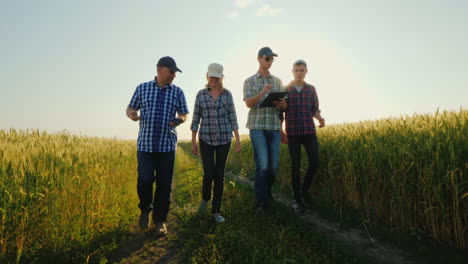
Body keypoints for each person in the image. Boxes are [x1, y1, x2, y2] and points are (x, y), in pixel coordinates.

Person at [126, 56, 189, 235]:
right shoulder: (142, 88)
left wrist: (179, 119)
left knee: (164, 185)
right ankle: (145, 209)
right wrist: (131, 114)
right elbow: (130, 108)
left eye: (175, 73)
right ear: (159, 69)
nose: (173, 76)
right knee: (145, 180)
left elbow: (184, 113)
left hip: (167, 146)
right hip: (145, 145)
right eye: (171, 72)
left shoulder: (177, 92)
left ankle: (160, 221)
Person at [191, 63, 241, 223]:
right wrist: (193, 141)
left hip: (224, 139)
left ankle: (216, 211)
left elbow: (233, 116)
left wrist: (238, 138)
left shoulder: (227, 95)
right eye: (211, 76)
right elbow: (195, 118)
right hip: (205, 138)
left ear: (221, 77)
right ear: (207, 76)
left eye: (217, 76)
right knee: (209, 173)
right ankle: (205, 198)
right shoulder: (201, 94)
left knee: (220, 175)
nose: (214, 79)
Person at [243, 47, 286, 212]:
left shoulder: (278, 81)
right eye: (267, 58)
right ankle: (261, 202)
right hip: (257, 127)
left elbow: (284, 105)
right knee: (262, 166)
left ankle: (266, 193)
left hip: (274, 127)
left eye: (272, 59)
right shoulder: (249, 81)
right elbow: (248, 103)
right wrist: (262, 93)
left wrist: (283, 104)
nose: (270, 61)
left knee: (273, 167)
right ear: (259, 59)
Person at [280, 59, 325, 214]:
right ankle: (297, 198)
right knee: (295, 166)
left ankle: (305, 190)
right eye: (296, 70)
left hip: (309, 131)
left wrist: (319, 118)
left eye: (302, 70)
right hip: (293, 133)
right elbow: (281, 113)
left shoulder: (311, 89)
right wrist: (281, 131)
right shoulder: (285, 89)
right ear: (292, 71)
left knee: (315, 161)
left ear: (306, 72)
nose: (299, 73)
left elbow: (315, 109)